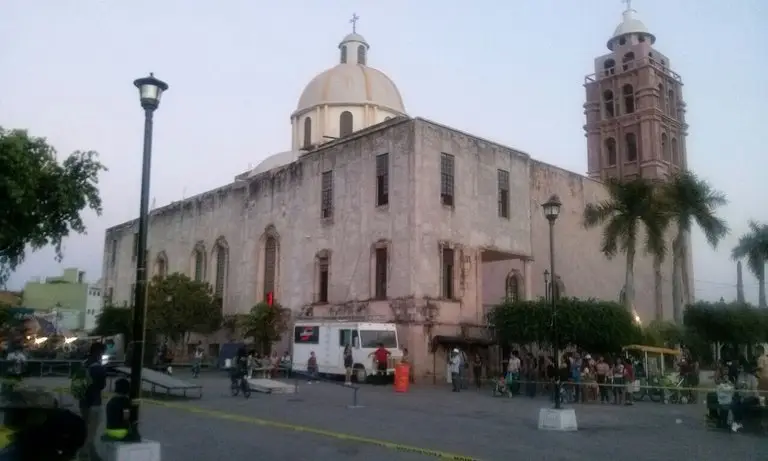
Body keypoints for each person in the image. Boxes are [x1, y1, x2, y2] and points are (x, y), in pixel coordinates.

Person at [77, 342, 107, 461]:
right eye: (102, 352)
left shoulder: (83, 364)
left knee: (87, 429)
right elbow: (102, 386)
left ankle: (93, 455)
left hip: (83, 402)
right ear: (99, 352)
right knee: (92, 431)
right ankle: (84, 454)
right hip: (95, 403)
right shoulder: (98, 368)